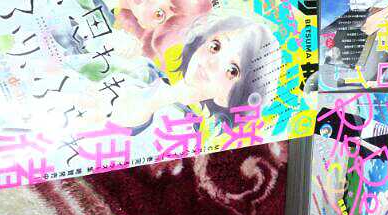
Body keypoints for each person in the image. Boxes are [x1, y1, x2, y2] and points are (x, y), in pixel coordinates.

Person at [74, 11, 282, 134]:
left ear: (232, 96)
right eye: (215, 46)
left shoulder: (181, 132)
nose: (212, 62)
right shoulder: (141, 68)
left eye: (232, 70)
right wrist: (109, 44)